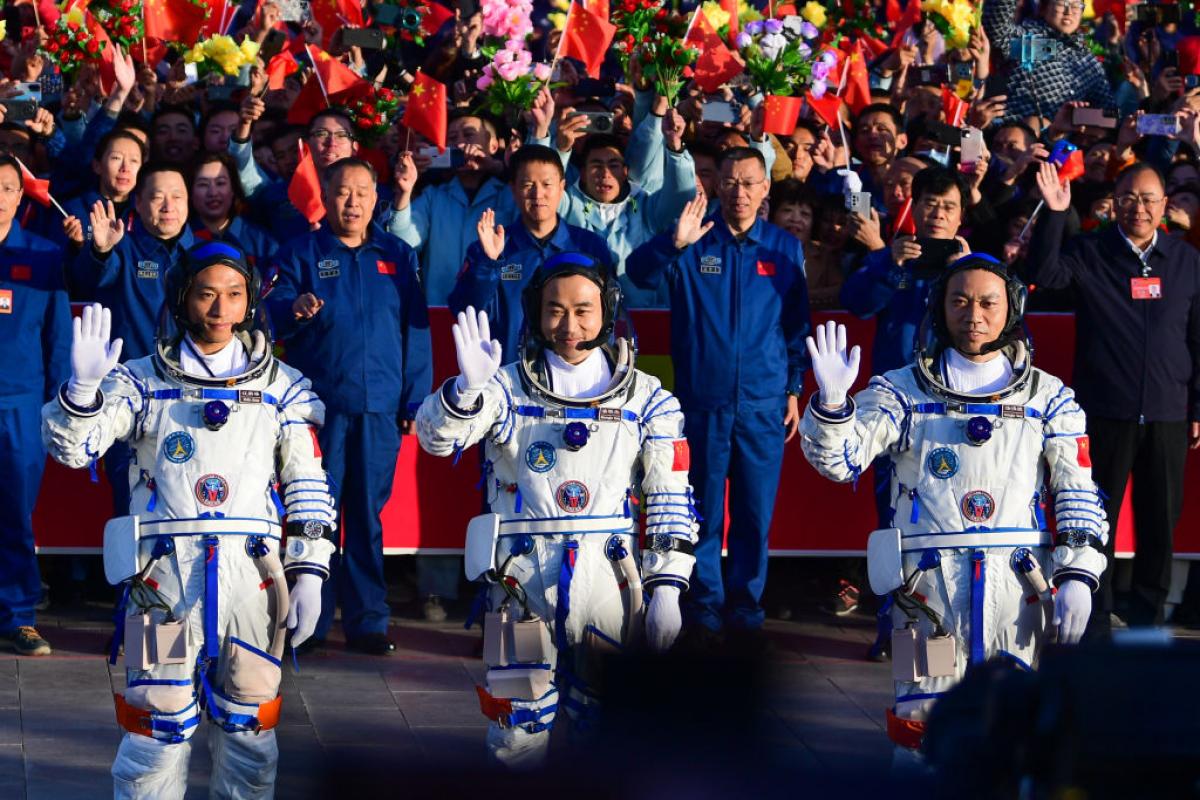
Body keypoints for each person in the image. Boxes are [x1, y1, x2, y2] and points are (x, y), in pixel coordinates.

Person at [40, 242, 337, 798]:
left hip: (252, 582)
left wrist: (310, 572)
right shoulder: (141, 381)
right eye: (206, 294)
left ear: (250, 301)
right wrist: (82, 393)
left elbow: (307, 483)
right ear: (182, 299)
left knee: (250, 732)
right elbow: (76, 450)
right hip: (163, 582)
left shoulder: (281, 387)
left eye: (234, 294)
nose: (221, 309)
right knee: (155, 731)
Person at [800, 255, 1108, 757]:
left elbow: (1077, 489)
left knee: (1015, 728)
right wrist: (834, 406)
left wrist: (1078, 574)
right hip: (926, 596)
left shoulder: (1048, 397)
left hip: (1019, 591)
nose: (974, 315)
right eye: (959, 301)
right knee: (920, 725)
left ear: (1012, 308)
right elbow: (840, 461)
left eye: (988, 302)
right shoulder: (901, 391)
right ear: (939, 307)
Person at [414, 254, 698, 768]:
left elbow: (669, 495)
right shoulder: (504, 388)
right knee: (515, 727)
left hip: (610, 580)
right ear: (535, 312)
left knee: (607, 728)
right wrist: (465, 389)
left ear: (607, 311)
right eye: (555, 310)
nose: (569, 326)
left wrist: (668, 588)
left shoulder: (646, 398)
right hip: (520, 582)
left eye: (583, 310)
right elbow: (436, 439)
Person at [627, 147, 810, 647]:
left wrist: (793, 388)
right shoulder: (694, 237)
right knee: (702, 512)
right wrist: (673, 243)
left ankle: (746, 609)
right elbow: (637, 273)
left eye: (749, 182)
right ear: (715, 186)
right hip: (701, 401)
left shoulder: (783, 248)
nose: (739, 192)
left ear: (765, 188)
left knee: (753, 515)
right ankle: (703, 608)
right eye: (729, 181)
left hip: (763, 404)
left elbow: (796, 326)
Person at [267, 157, 433, 654]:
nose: (353, 201)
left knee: (366, 514)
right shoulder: (299, 253)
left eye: (362, 191)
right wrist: (292, 309)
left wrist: (414, 398)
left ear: (376, 198)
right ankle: (308, 623)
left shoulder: (397, 255)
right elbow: (266, 310)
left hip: (379, 406)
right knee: (313, 513)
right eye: (342, 191)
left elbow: (415, 331)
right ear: (326, 197)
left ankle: (367, 622)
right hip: (318, 409)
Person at [1027, 161, 1200, 630]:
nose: (1138, 208)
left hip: (1167, 412)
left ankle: (1148, 618)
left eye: (1148, 199)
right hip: (1104, 411)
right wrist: (1055, 215)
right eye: (1128, 198)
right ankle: (1094, 613)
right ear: (1113, 203)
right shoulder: (1091, 251)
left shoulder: (1186, 261)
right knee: (1094, 517)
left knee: (1160, 521)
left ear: (1165, 205)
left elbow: (1197, 337)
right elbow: (1043, 273)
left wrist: (1196, 405)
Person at [0, 153, 71, 656]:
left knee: (14, 514)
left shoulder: (43, 255)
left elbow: (58, 337)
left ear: (20, 195)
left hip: (20, 405)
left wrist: (57, 404)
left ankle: (17, 615)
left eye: (6, 188)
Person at [448, 144, 614, 360]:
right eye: (528, 185)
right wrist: (488, 263)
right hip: (508, 371)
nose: (538, 194)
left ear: (562, 187)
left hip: (574, 370)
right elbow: (464, 310)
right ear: (513, 188)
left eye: (547, 184)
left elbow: (610, 313)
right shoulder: (491, 246)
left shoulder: (589, 246)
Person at [387, 112, 516, 304]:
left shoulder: (509, 194)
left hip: (495, 311)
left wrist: (501, 169)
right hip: (440, 309)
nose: (460, 144)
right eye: (453, 138)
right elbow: (404, 241)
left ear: (493, 146)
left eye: (469, 135)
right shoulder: (434, 196)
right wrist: (404, 193)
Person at [984, 0, 1114, 123]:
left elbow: (1108, 111)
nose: (1069, 12)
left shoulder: (1086, 59)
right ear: (1043, 9)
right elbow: (998, 32)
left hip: (1065, 136)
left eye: (1076, 5)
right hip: (1018, 132)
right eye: (1062, 3)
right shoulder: (1033, 43)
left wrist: (1081, 119)